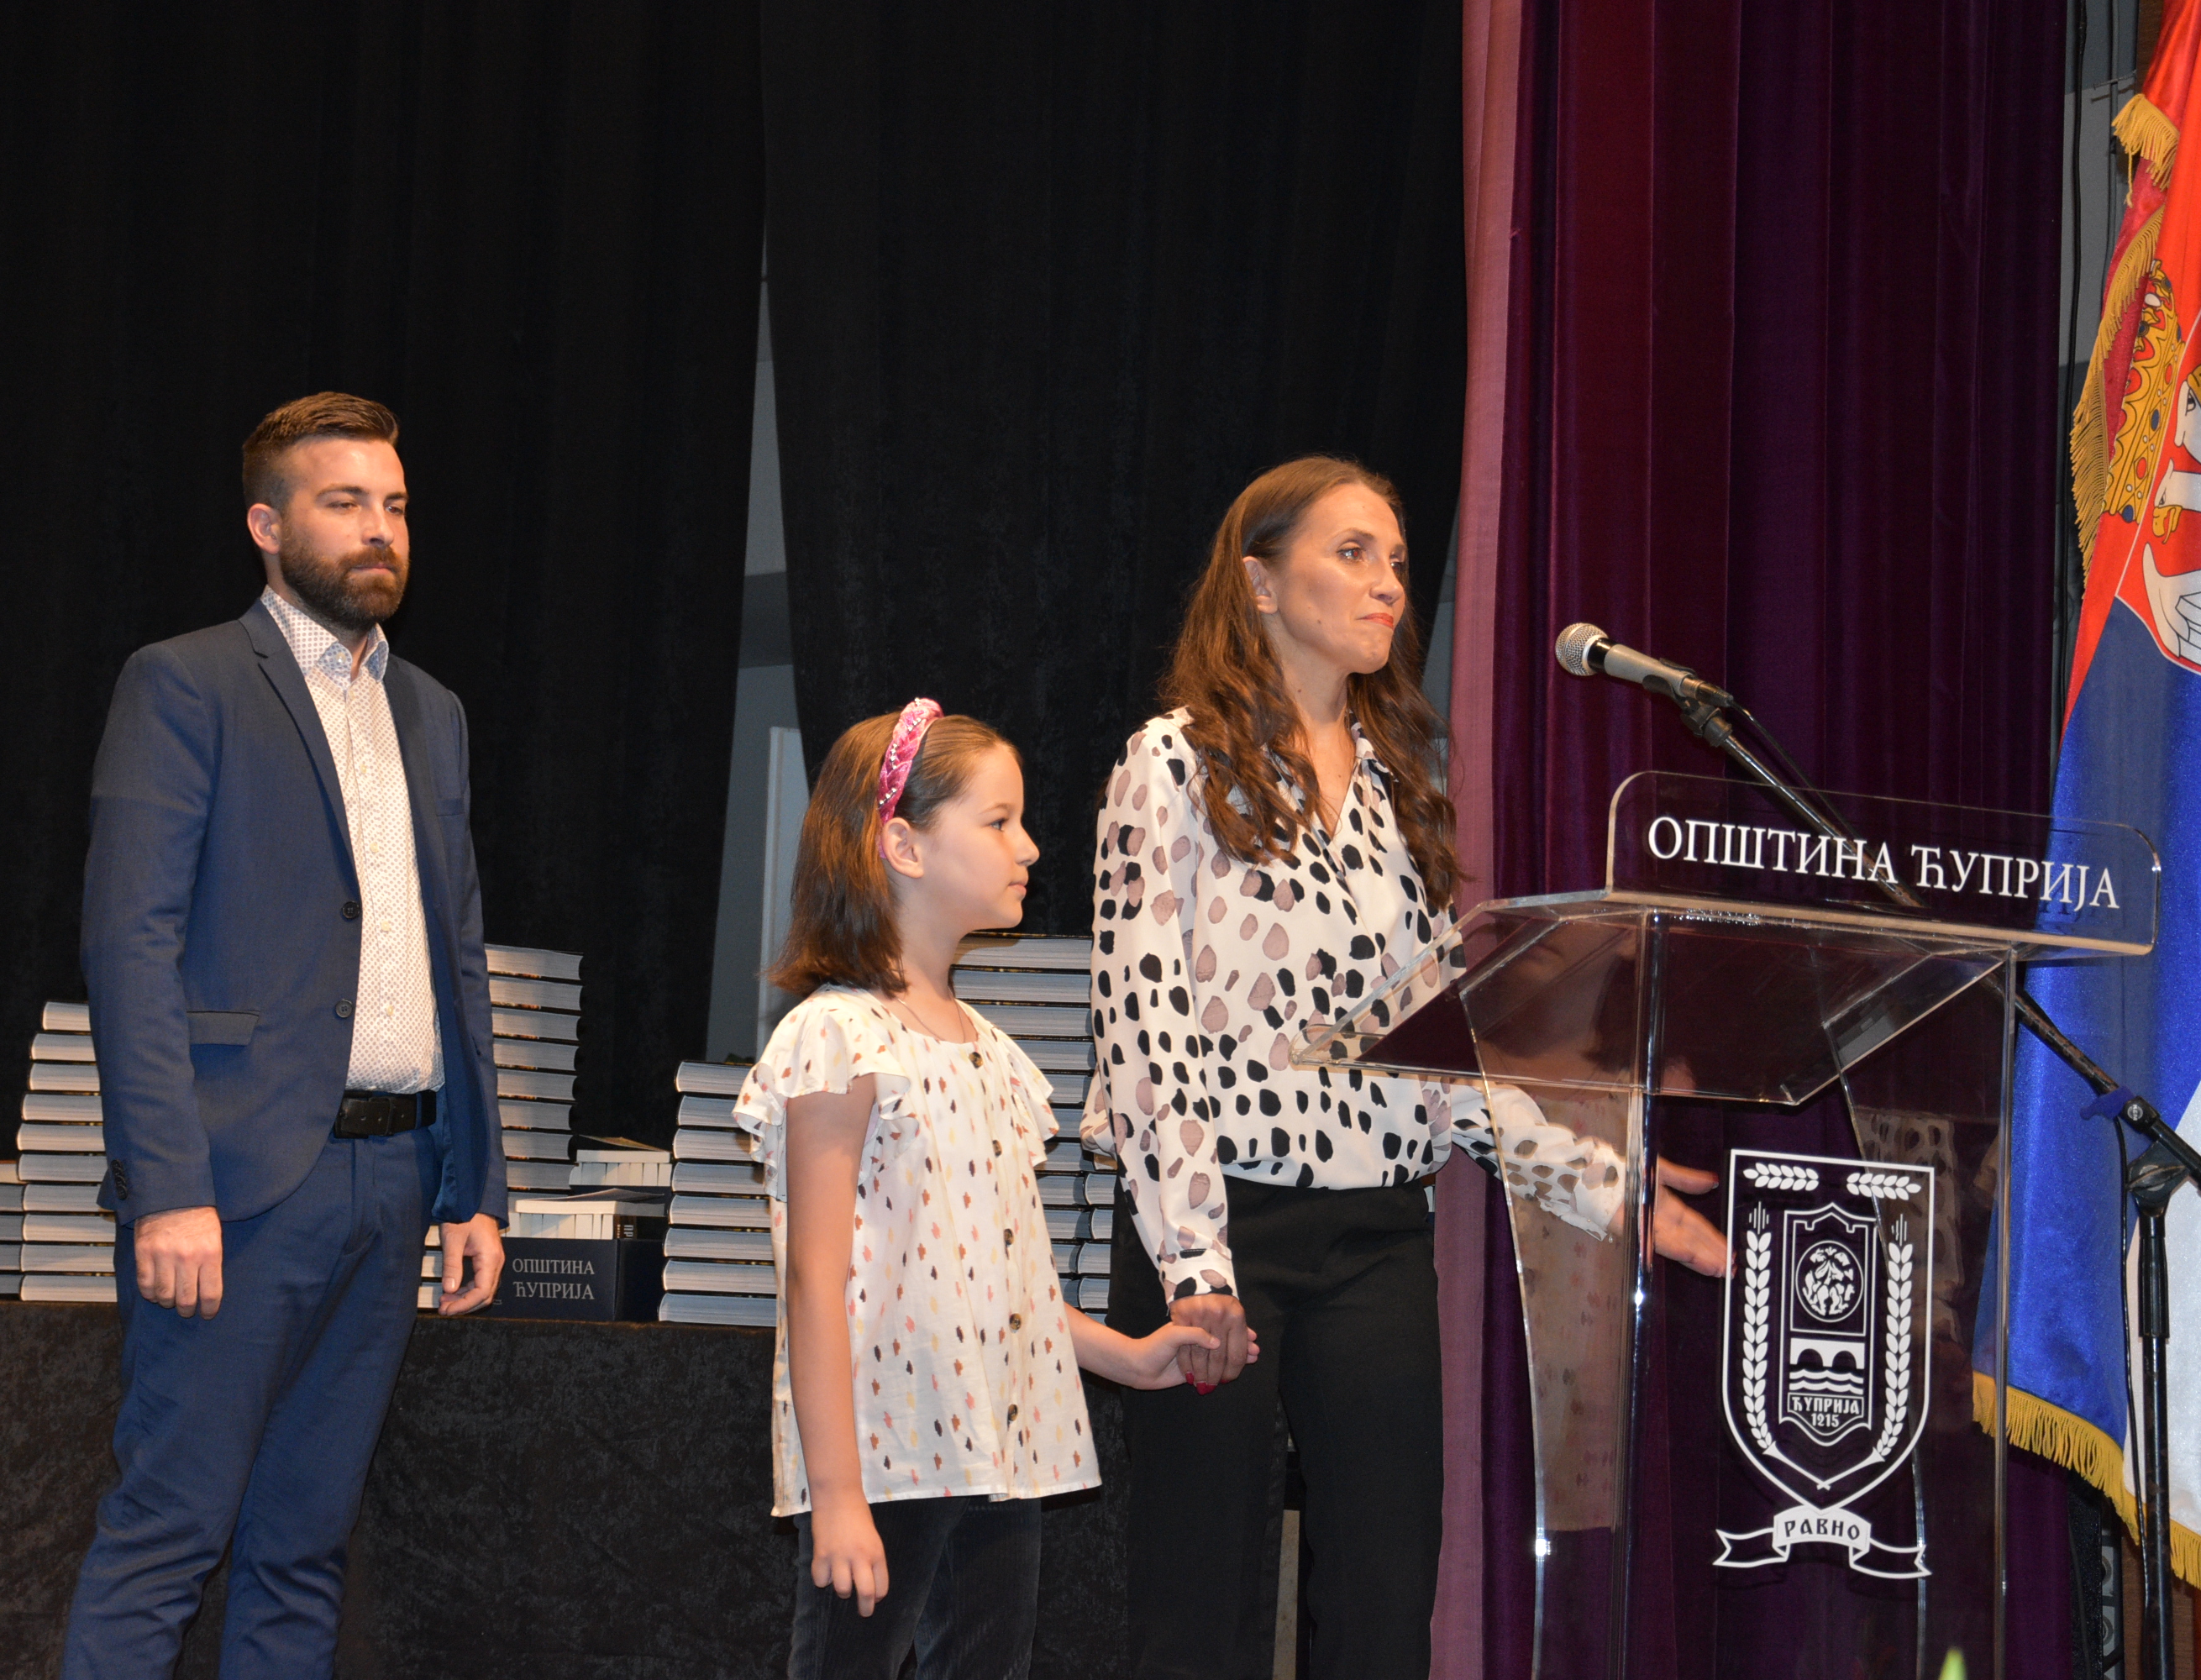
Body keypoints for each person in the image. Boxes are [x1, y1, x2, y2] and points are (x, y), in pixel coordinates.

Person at [1085, 456, 1726, 1679]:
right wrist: (1195, 1264)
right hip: (1219, 1227)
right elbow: (1146, 1028)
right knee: (1199, 1612)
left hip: (1377, 1232)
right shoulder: (1170, 765)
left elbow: (1442, 1051)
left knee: (1382, 1606)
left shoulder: (1397, 791)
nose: (1388, 583)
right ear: (1259, 582)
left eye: (1395, 560)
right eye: (1352, 553)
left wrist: (1607, 1187)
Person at [63, 392, 507, 1678]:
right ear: (267, 526)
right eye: (344, 503)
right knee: (170, 1530)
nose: (381, 530)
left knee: (305, 1546)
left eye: (396, 506)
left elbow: (455, 952)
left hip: (395, 1174)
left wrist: (476, 1186)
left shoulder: (432, 711)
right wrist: (168, 1185)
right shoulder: (185, 682)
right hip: (241, 1184)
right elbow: (129, 947)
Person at [737, 699, 1248, 1680]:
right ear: (904, 845)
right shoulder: (839, 1035)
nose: (1030, 846)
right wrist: (836, 1492)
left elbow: (1001, 1279)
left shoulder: (994, 1057)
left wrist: (1128, 1356)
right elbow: (814, 1280)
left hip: (997, 1443)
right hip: (887, 1449)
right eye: (998, 819)